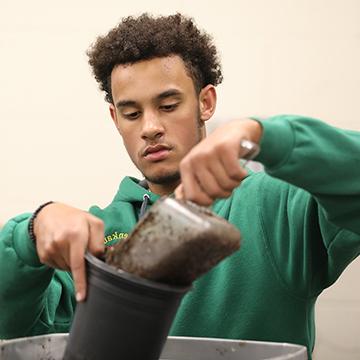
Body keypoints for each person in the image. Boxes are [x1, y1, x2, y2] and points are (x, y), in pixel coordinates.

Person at [0, 13, 359, 359]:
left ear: (206, 103)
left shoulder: (275, 206)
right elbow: (17, 329)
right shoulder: (90, 240)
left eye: (168, 105)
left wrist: (267, 137)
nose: (150, 127)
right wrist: (30, 233)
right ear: (115, 118)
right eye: (131, 113)